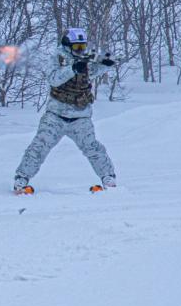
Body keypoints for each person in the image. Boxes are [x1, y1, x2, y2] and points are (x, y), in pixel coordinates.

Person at [13, 28, 117, 192]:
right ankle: (21, 179)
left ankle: (108, 177)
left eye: (82, 46)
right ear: (68, 46)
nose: (80, 50)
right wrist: (73, 68)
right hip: (56, 115)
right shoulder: (58, 57)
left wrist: (106, 64)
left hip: (80, 116)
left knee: (93, 147)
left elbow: (92, 72)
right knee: (39, 146)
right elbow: (54, 79)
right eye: (77, 47)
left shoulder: (85, 57)